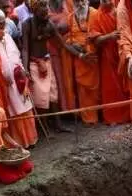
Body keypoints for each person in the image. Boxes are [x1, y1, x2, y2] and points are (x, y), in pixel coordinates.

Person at [0, 8, 39, 148]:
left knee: (25, 107)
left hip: (19, 80)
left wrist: (22, 70)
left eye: (3, 23)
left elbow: (16, 56)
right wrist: (2, 78)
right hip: (4, 84)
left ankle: (31, 140)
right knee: (14, 112)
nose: (2, 27)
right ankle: (20, 143)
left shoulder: (8, 37)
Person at [21, 0, 75, 132]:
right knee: (41, 97)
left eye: (46, 7)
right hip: (34, 64)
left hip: (47, 62)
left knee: (53, 94)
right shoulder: (27, 25)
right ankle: (45, 128)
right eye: (42, 8)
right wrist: (25, 68)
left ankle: (58, 125)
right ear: (34, 10)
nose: (46, 11)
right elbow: (25, 49)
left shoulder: (49, 24)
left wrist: (80, 55)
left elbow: (63, 44)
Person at [90, 0, 130, 124]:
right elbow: (95, 40)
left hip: (122, 52)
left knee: (125, 86)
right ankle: (112, 118)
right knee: (110, 88)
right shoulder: (96, 15)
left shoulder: (120, 10)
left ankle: (127, 115)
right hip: (107, 57)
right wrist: (109, 36)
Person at [67, 0, 101, 124]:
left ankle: (99, 115)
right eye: (77, 1)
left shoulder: (96, 13)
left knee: (96, 88)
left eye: (82, 0)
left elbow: (101, 34)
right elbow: (68, 41)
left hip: (94, 58)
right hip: (80, 59)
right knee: (82, 90)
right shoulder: (70, 18)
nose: (80, 4)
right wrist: (78, 50)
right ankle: (88, 118)